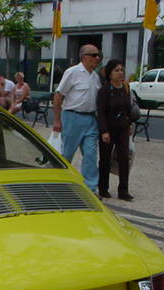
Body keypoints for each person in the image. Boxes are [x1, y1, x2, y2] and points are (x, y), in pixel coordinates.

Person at [52, 44, 103, 193]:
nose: (97, 58)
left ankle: (91, 188)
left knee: (91, 154)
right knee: (67, 153)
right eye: (94, 55)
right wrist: (57, 119)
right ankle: (60, 183)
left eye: (98, 55)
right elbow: (58, 95)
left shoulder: (95, 76)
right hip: (72, 117)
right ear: (85, 57)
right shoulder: (72, 72)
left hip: (90, 119)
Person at [97, 59, 134, 201]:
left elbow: (128, 108)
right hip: (108, 128)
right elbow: (101, 112)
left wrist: (129, 123)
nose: (120, 73)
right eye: (116, 70)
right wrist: (104, 131)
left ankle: (123, 190)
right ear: (110, 73)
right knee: (105, 159)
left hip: (122, 128)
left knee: (124, 158)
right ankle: (103, 187)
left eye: (121, 70)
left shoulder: (125, 88)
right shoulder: (105, 90)